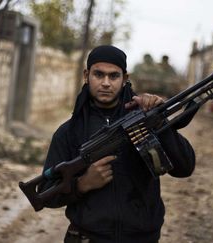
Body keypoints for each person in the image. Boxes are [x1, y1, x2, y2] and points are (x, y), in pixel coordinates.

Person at [41, 45, 196, 243]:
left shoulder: (143, 119)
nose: (106, 83)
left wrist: (159, 121)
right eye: (99, 74)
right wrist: (82, 184)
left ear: (125, 79)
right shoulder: (68, 132)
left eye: (113, 76)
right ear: (86, 76)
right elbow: (45, 194)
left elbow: (185, 167)